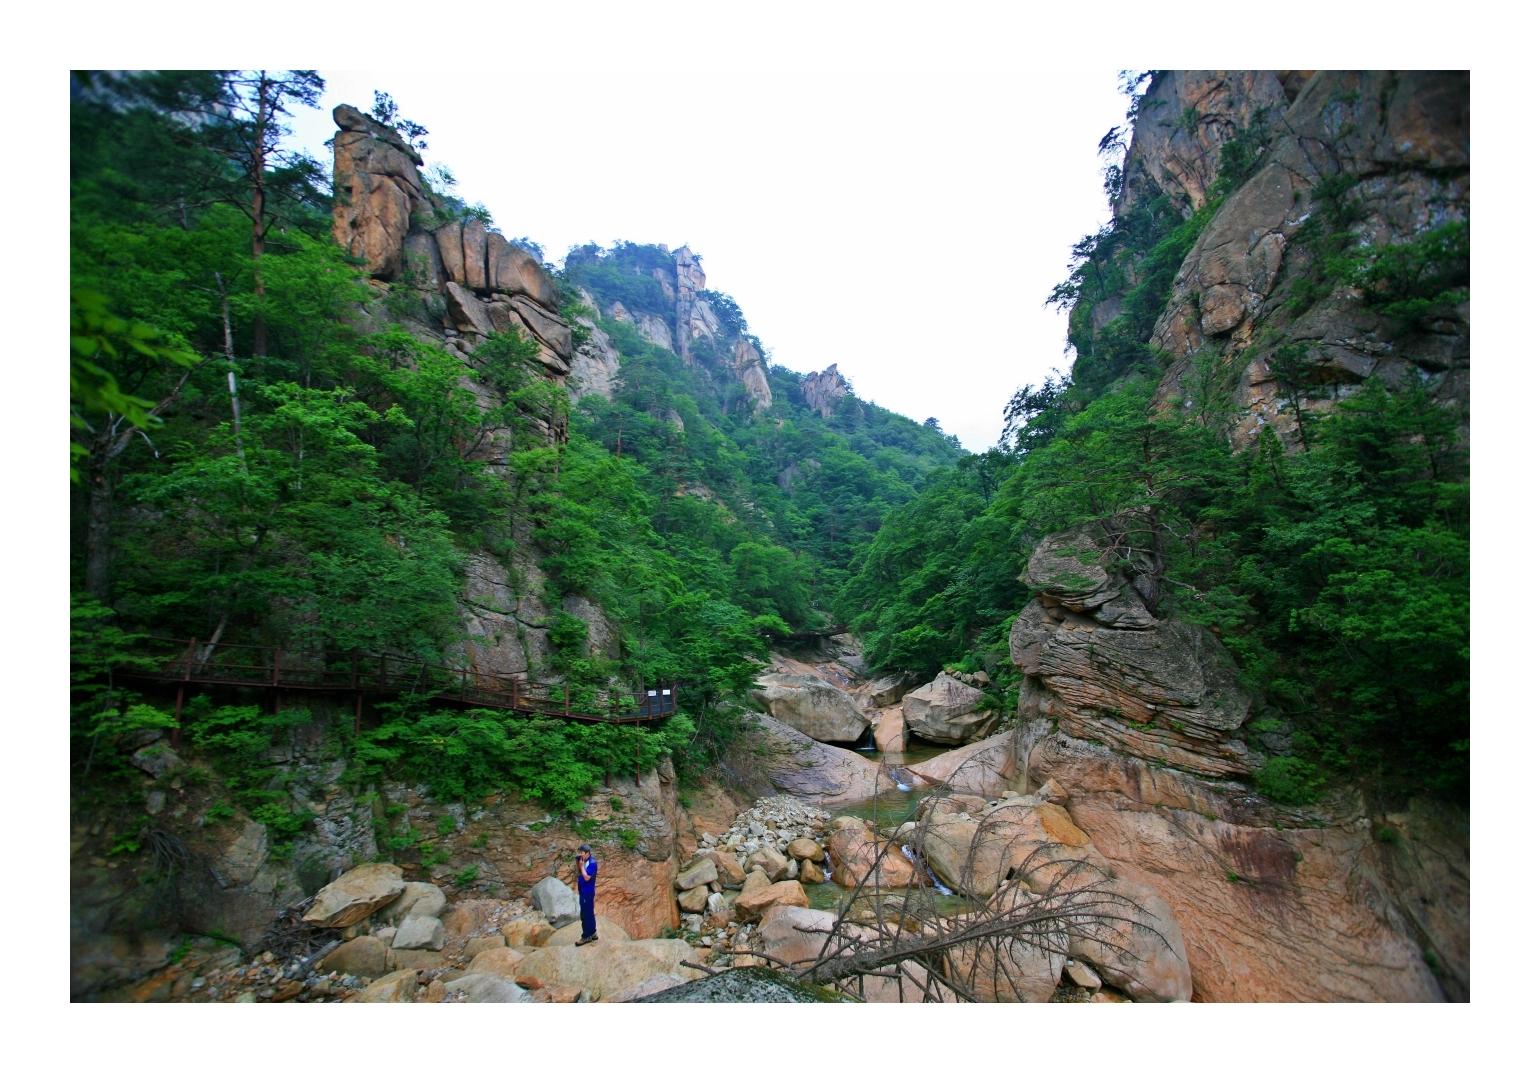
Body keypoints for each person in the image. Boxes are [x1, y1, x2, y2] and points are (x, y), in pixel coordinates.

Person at [574, 844, 599, 946]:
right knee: (589, 912)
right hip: (584, 891)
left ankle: (586, 936)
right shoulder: (584, 861)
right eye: (579, 852)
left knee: (585, 914)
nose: (580, 854)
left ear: (587, 853)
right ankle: (593, 932)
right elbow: (579, 872)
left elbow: (587, 877)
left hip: (587, 892)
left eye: (582, 853)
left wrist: (581, 866)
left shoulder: (592, 863)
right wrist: (579, 864)